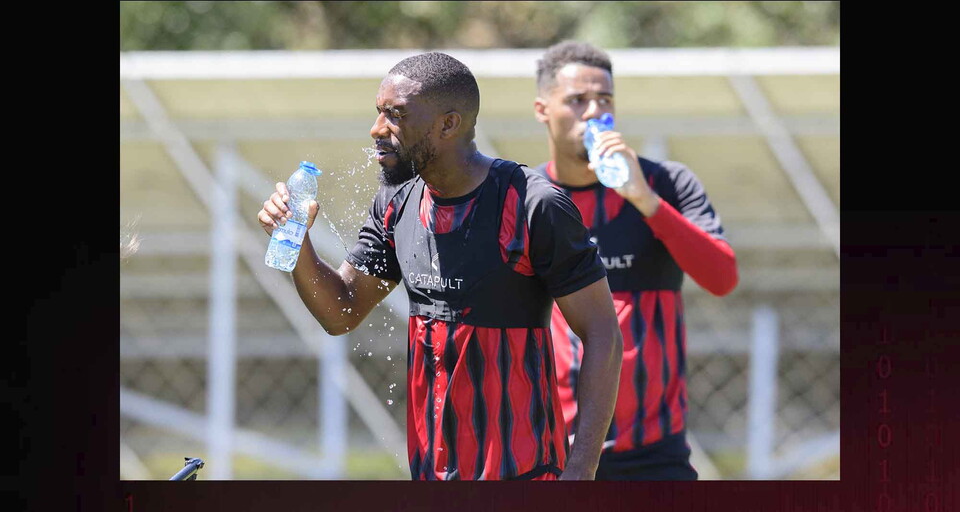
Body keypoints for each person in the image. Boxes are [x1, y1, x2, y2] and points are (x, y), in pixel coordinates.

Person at [258, 52, 623, 481]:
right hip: (431, 476)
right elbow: (342, 312)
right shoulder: (398, 200)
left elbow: (603, 334)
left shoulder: (531, 203)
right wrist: (298, 245)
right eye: (379, 113)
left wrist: (580, 474)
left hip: (524, 475)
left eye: (395, 116)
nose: (378, 130)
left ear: (449, 124)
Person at [532, 41, 739, 480]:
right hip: (550, 451)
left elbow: (722, 278)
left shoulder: (667, 182)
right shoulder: (526, 198)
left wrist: (645, 200)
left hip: (655, 455)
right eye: (576, 100)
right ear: (542, 109)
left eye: (604, 100)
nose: (593, 112)